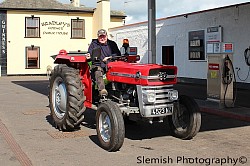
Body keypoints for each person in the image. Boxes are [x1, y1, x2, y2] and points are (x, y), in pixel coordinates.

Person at [86, 29, 121, 97]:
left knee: (119, 71)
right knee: (97, 70)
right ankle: (102, 90)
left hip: (110, 65)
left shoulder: (112, 44)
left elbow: (117, 55)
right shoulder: (93, 44)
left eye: (104, 36)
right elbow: (89, 53)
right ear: (98, 37)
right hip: (98, 64)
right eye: (100, 37)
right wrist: (88, 56)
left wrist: (109, 57)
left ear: (107, 36)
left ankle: (119, 91)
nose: (102, 38)